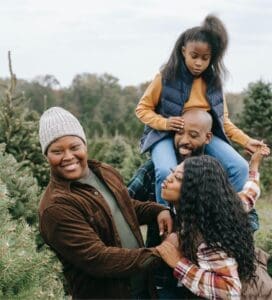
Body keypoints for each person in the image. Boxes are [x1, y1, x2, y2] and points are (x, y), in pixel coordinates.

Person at [38, 107, 174, 299]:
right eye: (57, 151)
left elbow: (124, 206)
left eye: (74, 147)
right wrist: (161, 253)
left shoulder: (104, 172)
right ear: (46, 155)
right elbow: (99, 259)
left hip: (143, 290)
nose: (68, 156)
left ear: (84, 145)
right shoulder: (56, 208)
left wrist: (158, 210)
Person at [135, 14, 269, 207]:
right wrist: (165, 123)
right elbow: (142, 109)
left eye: (205, 58)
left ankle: (222, 216)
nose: (199, 63)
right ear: (183, 51)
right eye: (194, 56)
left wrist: (246, 141)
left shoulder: (213, 83)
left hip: (201, 134)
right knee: (165, 171)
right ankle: (165, 218)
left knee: (239, 167)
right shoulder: (166, 77)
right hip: (164, 134)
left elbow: (222, 120)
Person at [156, 147, 271, 299]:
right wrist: (254, 166)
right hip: (259, 283)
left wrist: (179, 264)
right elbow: (250, 195)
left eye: (178, 178)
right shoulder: (224, 207)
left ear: (195, 192)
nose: (168, 178)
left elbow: (230, 291)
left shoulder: (207, 237)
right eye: (172, 171)